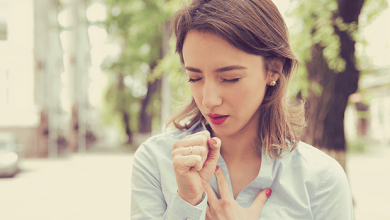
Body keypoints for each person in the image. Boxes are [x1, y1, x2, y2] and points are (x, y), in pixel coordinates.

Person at [131, 0, 353, 219]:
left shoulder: (321, 179)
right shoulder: (156, 161)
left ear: (274, 69)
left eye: (230, 78)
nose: (208, 100)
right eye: (195, 77)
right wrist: (186, 203)